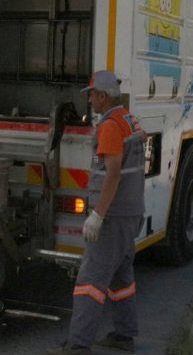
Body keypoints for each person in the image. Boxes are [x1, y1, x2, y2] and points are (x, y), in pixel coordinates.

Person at [48, 70, 146, 354]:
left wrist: (98, 215)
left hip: (113, 216)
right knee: (121, 275)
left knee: (90, 279)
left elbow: (113, 174)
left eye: (92, 94)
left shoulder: (110, 127)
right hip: (131, 211)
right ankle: (124, 335)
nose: (89, 100)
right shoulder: (128, 119)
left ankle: (78, 344)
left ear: (103, 96)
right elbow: (141, 139)